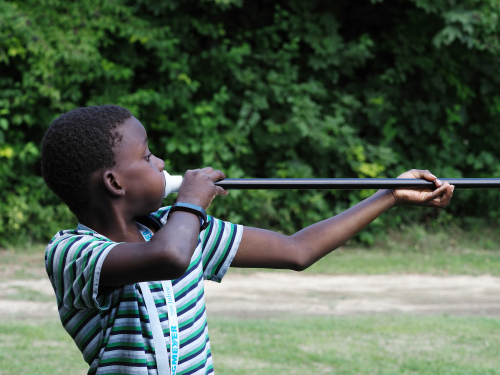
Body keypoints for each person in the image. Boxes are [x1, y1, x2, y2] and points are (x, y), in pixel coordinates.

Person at [41, 105, 454, 375]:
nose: (162, 162)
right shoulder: (72, 253)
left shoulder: (179, 226)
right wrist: (191, 199)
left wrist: (389, 196)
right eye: (148, 156)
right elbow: (168, 257)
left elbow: (297, 250)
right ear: (114, 182)